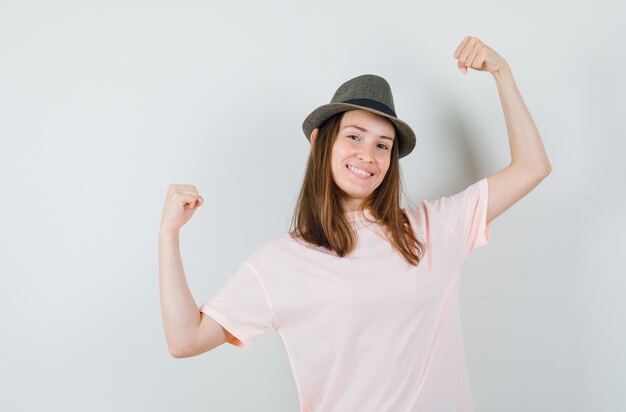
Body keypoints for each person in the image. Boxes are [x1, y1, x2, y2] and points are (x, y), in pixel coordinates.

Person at [159, 36, 552, 412]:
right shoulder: (280, 262)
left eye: (382, 144)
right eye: (354, 136)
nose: (368, 155)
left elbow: (532, 167)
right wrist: (169, 234)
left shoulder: (432, 229)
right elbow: (185, 339)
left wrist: (502, 72)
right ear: (321, 142)